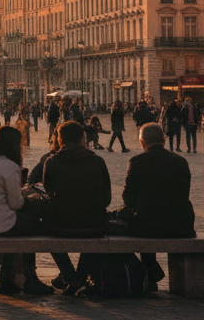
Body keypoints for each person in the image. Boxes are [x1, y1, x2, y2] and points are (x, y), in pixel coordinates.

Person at [0, 125, 52, 296]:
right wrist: (29, 199)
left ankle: (5, 278)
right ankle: (30, 279)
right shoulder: (9, 166)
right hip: (0, 223)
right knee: (34, 226)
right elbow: (15, 203)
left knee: (17, 229)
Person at [117, 123, 195, 291]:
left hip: (146, 226)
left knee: (139, 219)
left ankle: (148, 268)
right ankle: (150, 270)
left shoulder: (137, 162)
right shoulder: (180, 161)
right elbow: (184, 194)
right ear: (164, 140)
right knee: (152, 214)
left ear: (142, 142)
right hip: (179, 225)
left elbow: (128, 199)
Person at [43, 121, 112, 292]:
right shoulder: (97, 161)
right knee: (90, 227)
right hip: (95, 224)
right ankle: (77, 277)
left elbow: (48, 191)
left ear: (60, 140)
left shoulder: (52, 162)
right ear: (83, 138)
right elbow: (107, 198)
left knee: (44, 229)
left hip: (60, 225)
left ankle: (71, 277)